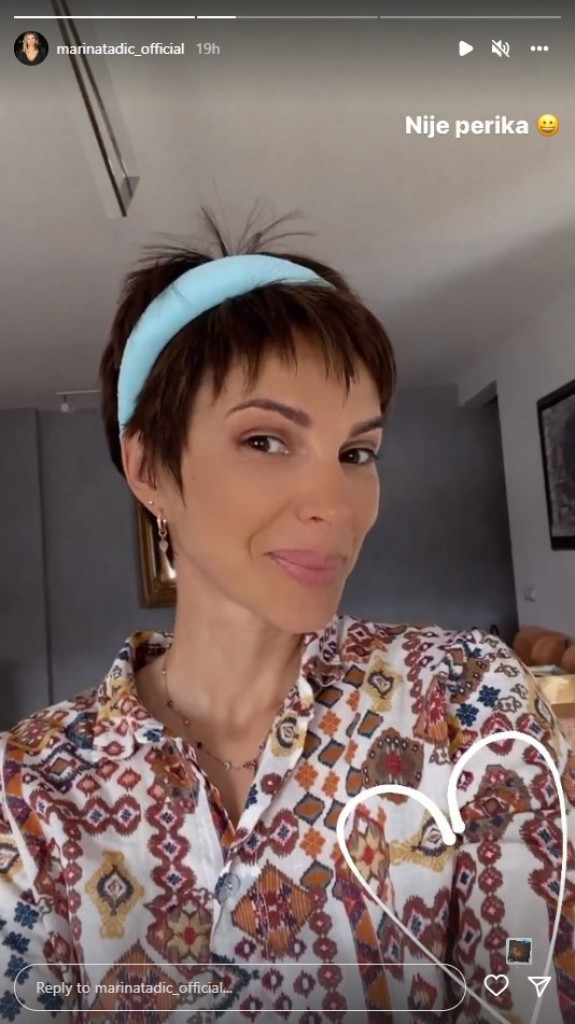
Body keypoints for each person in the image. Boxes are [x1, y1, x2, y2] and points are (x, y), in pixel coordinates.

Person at [0, 208, 573, 1024]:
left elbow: (534, 992)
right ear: (150, 467)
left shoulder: (467, 698)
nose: (333, 504)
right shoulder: (31, 788)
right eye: (265, 441)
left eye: (356, 453)